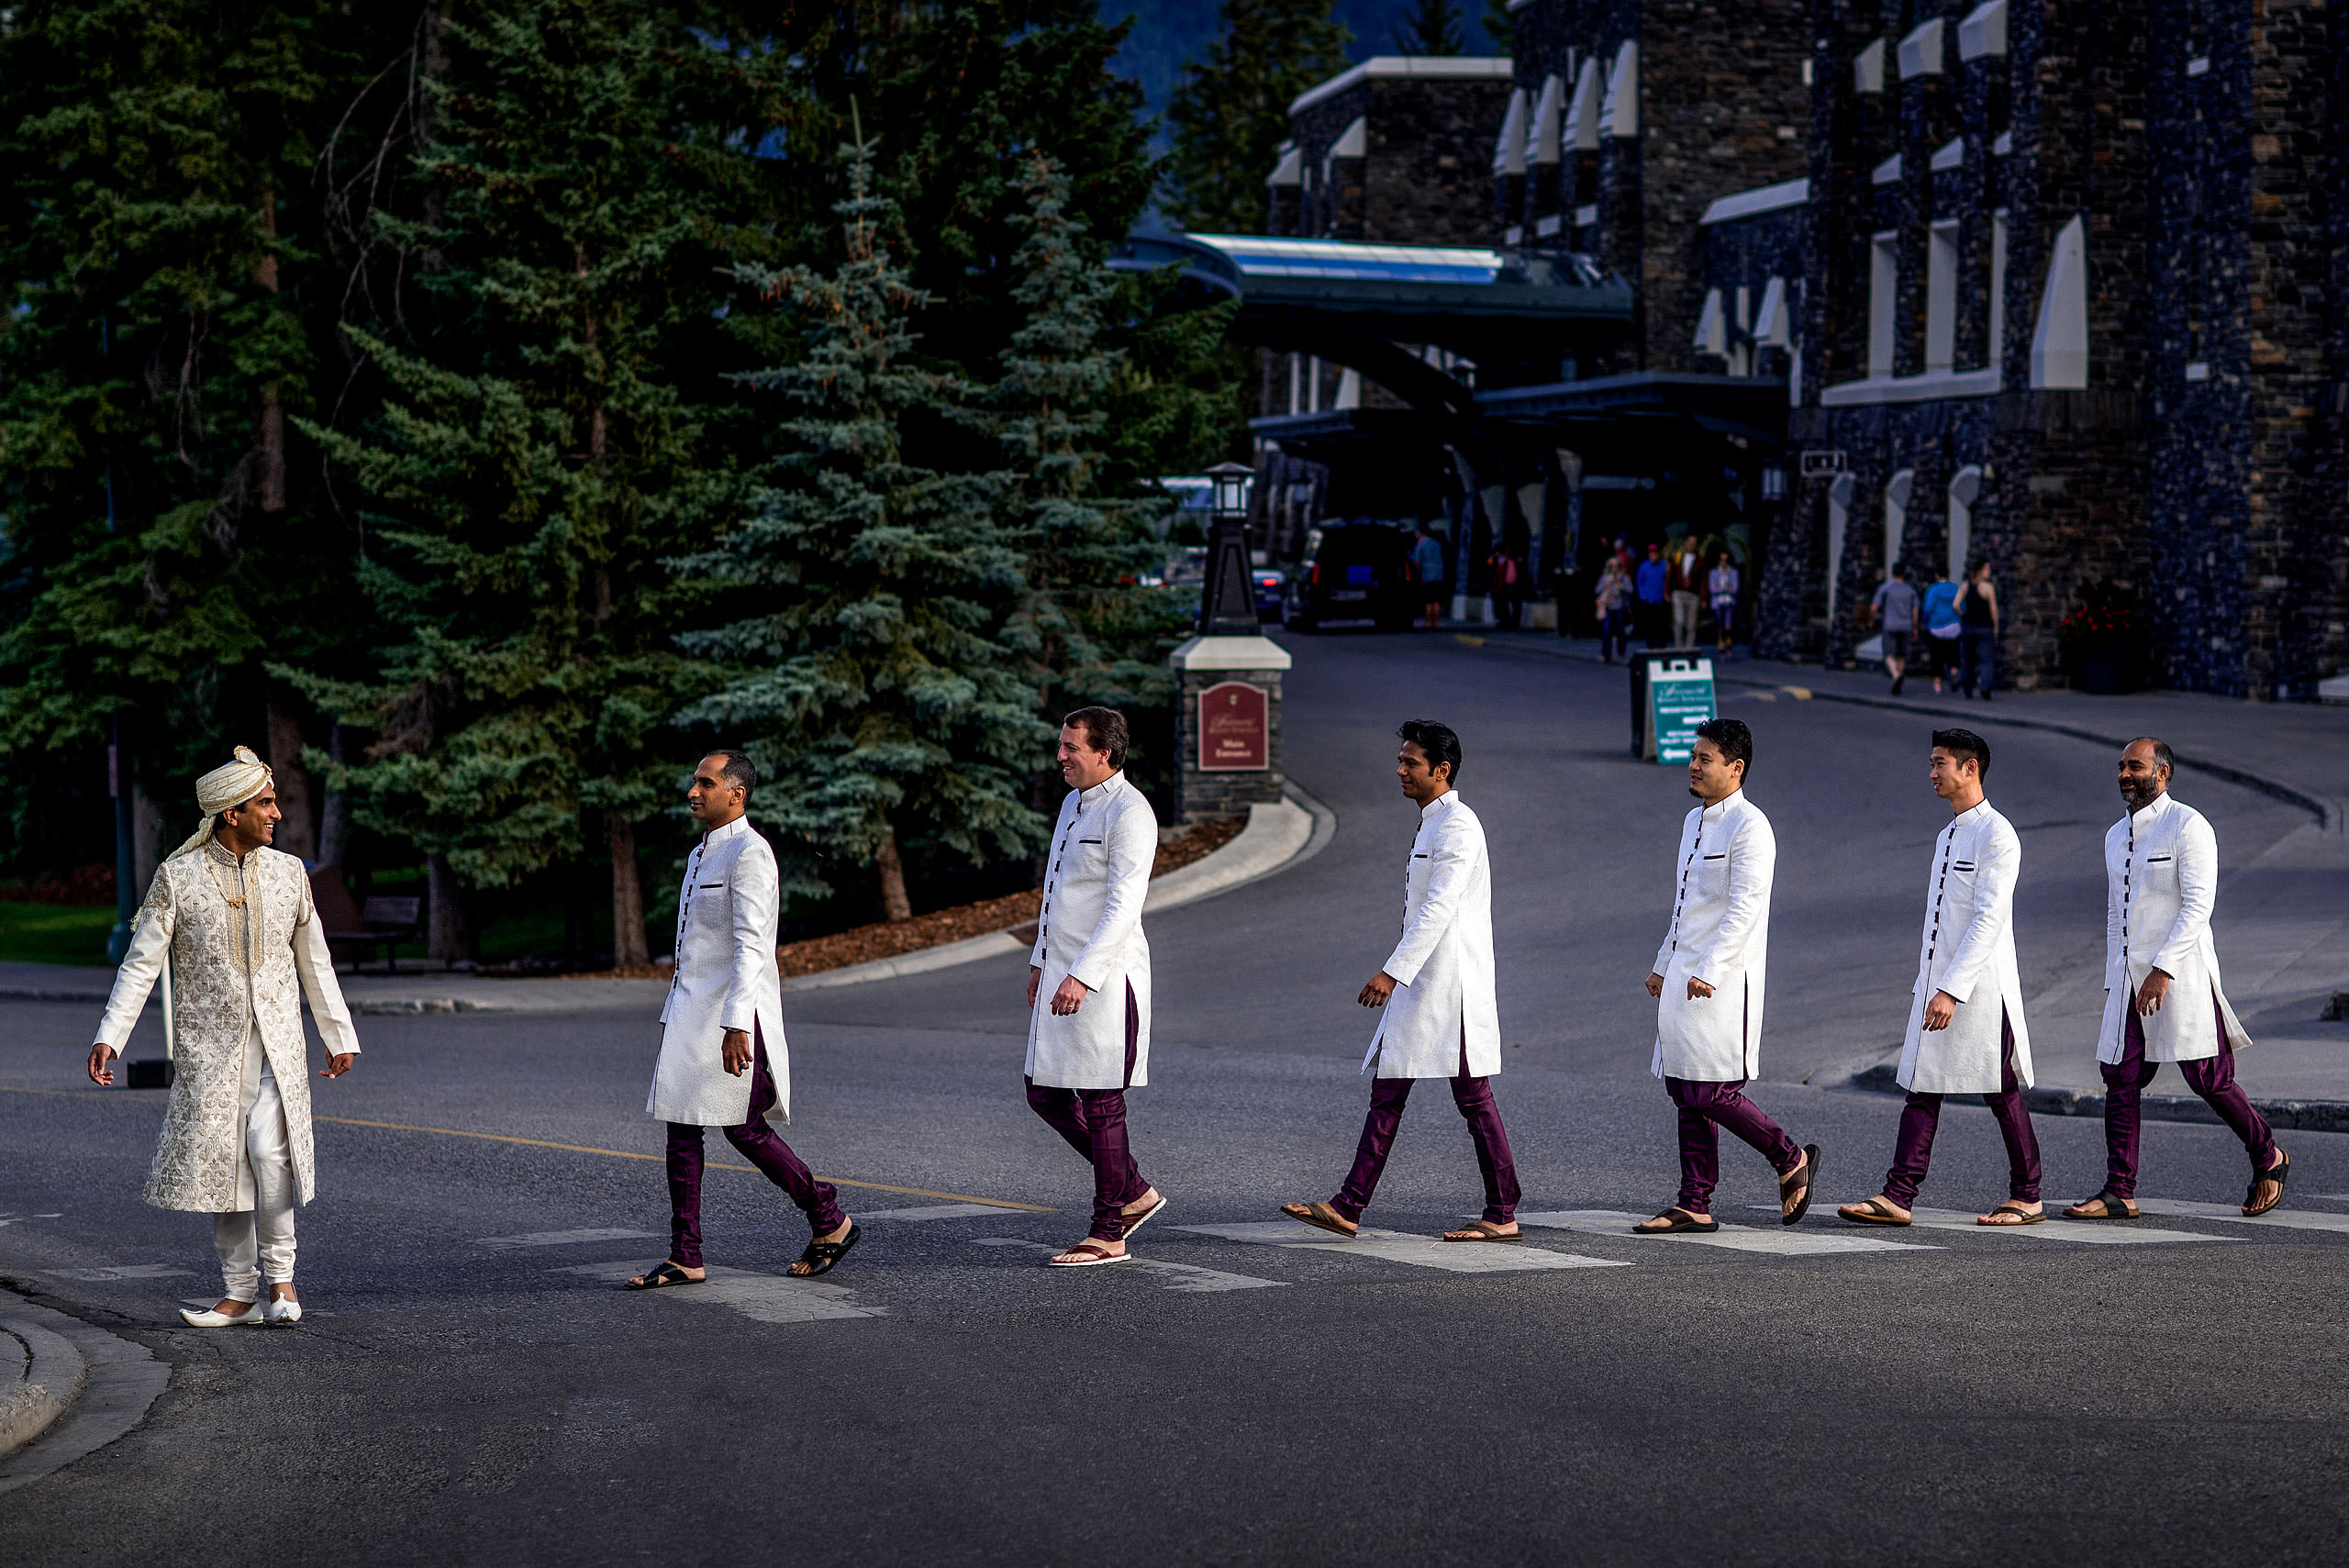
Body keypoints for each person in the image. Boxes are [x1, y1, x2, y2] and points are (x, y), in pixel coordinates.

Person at [90, 746, 361, 1328]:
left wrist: (340, 1035)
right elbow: (141, 964)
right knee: (227, 1168)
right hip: (211, 1052)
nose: (277, 814)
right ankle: (239, 1296)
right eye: (266, 803)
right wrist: (110, 1034)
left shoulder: (289, 874)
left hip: (278, 1047)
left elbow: (316, 960)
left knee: (269, 1152)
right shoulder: (180, 878)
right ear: (229, 813)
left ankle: (282, 1283)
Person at [1283, 720, 1520, 1243]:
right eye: (1402, 760)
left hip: (1451, 987)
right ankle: (1349, 1205)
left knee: (1473, 1096)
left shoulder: (1458, 826)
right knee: (1389, 1090)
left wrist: (1392, 972)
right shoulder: (1433, 822)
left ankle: (1503, 1210)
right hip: (1423, 983)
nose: (1400, 770)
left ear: (1443, 770)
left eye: (1411, 763)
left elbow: (1438, 909)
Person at [629, 751, 855, 1290]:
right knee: (682, 1132)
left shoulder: (750, 854)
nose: (693, 791)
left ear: (737, 794)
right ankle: (686, 1256)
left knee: (744, 1127)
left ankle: (830, 1219)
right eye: (694, 781)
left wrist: (737, 1026)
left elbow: (753, 948)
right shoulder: (702, 852)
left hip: (732, 1015)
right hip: (690, 1015)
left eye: (705, 783)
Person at [2064, 740, 2288, 1221]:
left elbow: (2197, 906)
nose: (2125, 774)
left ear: (2162, 774)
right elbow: (2114, 914)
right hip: (2129, 979)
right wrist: (2114, 977)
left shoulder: (2189, 825)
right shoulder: (2114, 836)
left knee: (2208, 1078)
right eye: (2121, 766)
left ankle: (2268, 1154)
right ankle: (2119, 1191)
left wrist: (2162, 971)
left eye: (2135, 766)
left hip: (2182, 973)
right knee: (2120, 1077)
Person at [1838, 729, 2043, 1227]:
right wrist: (1932, 985)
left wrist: (1953, 989)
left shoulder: (1997, 834)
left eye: (1940, 763)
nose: (1932, 773)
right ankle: (1898, 1195)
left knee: (2000, 1087)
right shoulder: (1949, 834)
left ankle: (2028, 1194)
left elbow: (1987, 920)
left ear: (1970, 768)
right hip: (1937, 986)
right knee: (1922, 1085)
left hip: (1980, 991)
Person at [1634, 718, 1819, 1233]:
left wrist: (1710, 971)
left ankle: (1789, 1158)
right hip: (1683, 973)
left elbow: (1744, 909)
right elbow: (1684, 905)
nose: (1693, 765)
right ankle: (1694, 1201)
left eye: (1705, 759)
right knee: (1683, 1085)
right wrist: (1662, 963)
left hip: (1723, 979)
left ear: (1735, 768)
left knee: (1713, 1090)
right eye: (1693, 756)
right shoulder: (1695, 822)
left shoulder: (1752, 827)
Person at [1024, 707, 1166, 1266]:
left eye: (1070, 747)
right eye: (1061, 745)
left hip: (1106, 982)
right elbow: (1054, 891)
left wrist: (1082, 975)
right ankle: (1132, 1191)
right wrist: (1040, 961)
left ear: (1104, 752)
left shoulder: (1131, 814)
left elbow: (1122, 907)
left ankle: (1109, 1231)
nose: (1060, 755)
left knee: (1103, 1101)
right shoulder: (1071, 802)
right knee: (1045, 1092)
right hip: (1060, 974)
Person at [1871, 562, 1921, 696]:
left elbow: (1874, 607)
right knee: (1901, 655)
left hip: (1890, 625)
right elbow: (1915, 610)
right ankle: (1899, 676)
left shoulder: (1885, 588)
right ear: (1904, 573)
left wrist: (1872, 619)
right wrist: (1915, 627)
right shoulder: (1910, 590)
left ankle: (1895, 675)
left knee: (1889, 654)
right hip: (1906, 626)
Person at [1955, 558, 1998, 699]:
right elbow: (1993, 608)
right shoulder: (1987, 587)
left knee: (1968, 659)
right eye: (1986, 569)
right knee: (1986, 659)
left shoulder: (1965, 586)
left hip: (1969, 626)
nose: (1989, 572)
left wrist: (1964, 615)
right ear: (1980, 570)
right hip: (1985, 626)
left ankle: (1967, 687)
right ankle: (1985, 687)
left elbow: (1955, 605)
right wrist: (1996, 625)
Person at [1921, 567, 1963, 694]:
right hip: (1953, 625)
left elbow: (1928, 608)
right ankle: (1954, 671)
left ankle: (1937, 684)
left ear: (1937, 575)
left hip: (1936, 626)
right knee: (1953, 652)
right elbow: (1961, 605)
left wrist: (1925, 621)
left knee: (1936, 655)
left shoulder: (1933, 590)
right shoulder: (1955, 588)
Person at [1667, 535, 1706, 648]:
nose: (1691, 545)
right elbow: (1670, 575)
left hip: (1693, 595)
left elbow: (1703, 581)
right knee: (1679, 622)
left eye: (1694, 543)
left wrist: (1704, 598)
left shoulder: (1700, 561)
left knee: (1691, 624)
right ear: (1686, 544)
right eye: (1689, 543)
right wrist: (1667, 592)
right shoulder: (1678, 557)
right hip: (1678, 593)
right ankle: (1678, 647)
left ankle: (1689, 648)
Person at [1594, 556, 1634, 664]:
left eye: (1616, 567)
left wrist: (1620, 585)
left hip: (1620, 607)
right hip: (1608, 607)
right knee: (1606, 631)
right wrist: (1606, 585)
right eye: (1611, 567)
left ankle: (1621, 653)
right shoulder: (1605, 577)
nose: (1614, 569)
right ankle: (1605, 654)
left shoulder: (1624, 578)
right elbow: (1597, 590)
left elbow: (1630, 590)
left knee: (1621, 632)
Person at [1634, 542, 1670, 649]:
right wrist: (1642, 595)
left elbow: (1668, 580)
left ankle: (1662, 645)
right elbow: (1639, 582)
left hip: (1660, 599)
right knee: (1650, 624)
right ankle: (1651, 645)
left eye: (1655, 553)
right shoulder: (1644, 566)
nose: (1653, 555)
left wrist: (1666, 594)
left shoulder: (1664, 565)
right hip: (1648, 599)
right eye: (1651, 553)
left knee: (1662, 623)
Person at [1412, 524, 1448, 630]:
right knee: (1436, 601)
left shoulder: (1420, 545)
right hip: (1439, 575)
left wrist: (1416, 574)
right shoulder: (1437, 543)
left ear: (1419, 534)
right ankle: (1435, 623)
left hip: (1427, 575)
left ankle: (1428, 622)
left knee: (1428, 601)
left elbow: (1417, 563)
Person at [1708, 550, 1740, 652]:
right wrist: (1725, 588)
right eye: (1722, 560)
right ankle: (1720, 640)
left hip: (1729, 601)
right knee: (1719, 621)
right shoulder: (1713, 572)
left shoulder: (1733, 572)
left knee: (1728, 623)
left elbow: (1735, 588)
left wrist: (1720, 587)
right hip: (1718, 601)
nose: (1724, 563)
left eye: (1726, 560)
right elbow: (1713, 588)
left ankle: (1728, 639)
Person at [1488, 544, 1524, 630]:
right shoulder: (1500, 560)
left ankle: (1512, 622)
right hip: (1503, 585)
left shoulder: (1515, 560)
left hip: (1513, 585)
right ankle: (1505, 621)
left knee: (1514, 604)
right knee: (1503, 603)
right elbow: (1495, 572)